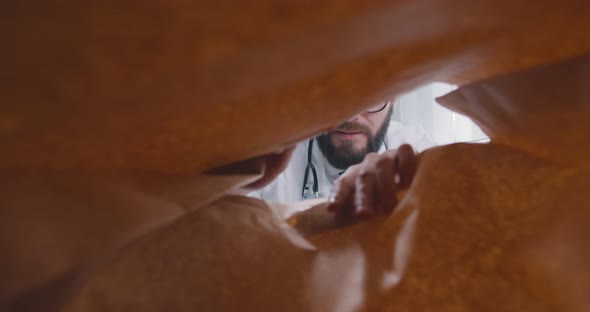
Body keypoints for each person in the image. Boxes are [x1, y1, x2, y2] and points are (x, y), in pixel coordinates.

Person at [249, 99, 435, 210]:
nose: (350, 116)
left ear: (394, 99)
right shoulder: (272, 156)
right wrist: (240, 182)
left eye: (370, 97)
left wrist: (414, 181)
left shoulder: (415, 145)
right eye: (333, 98)